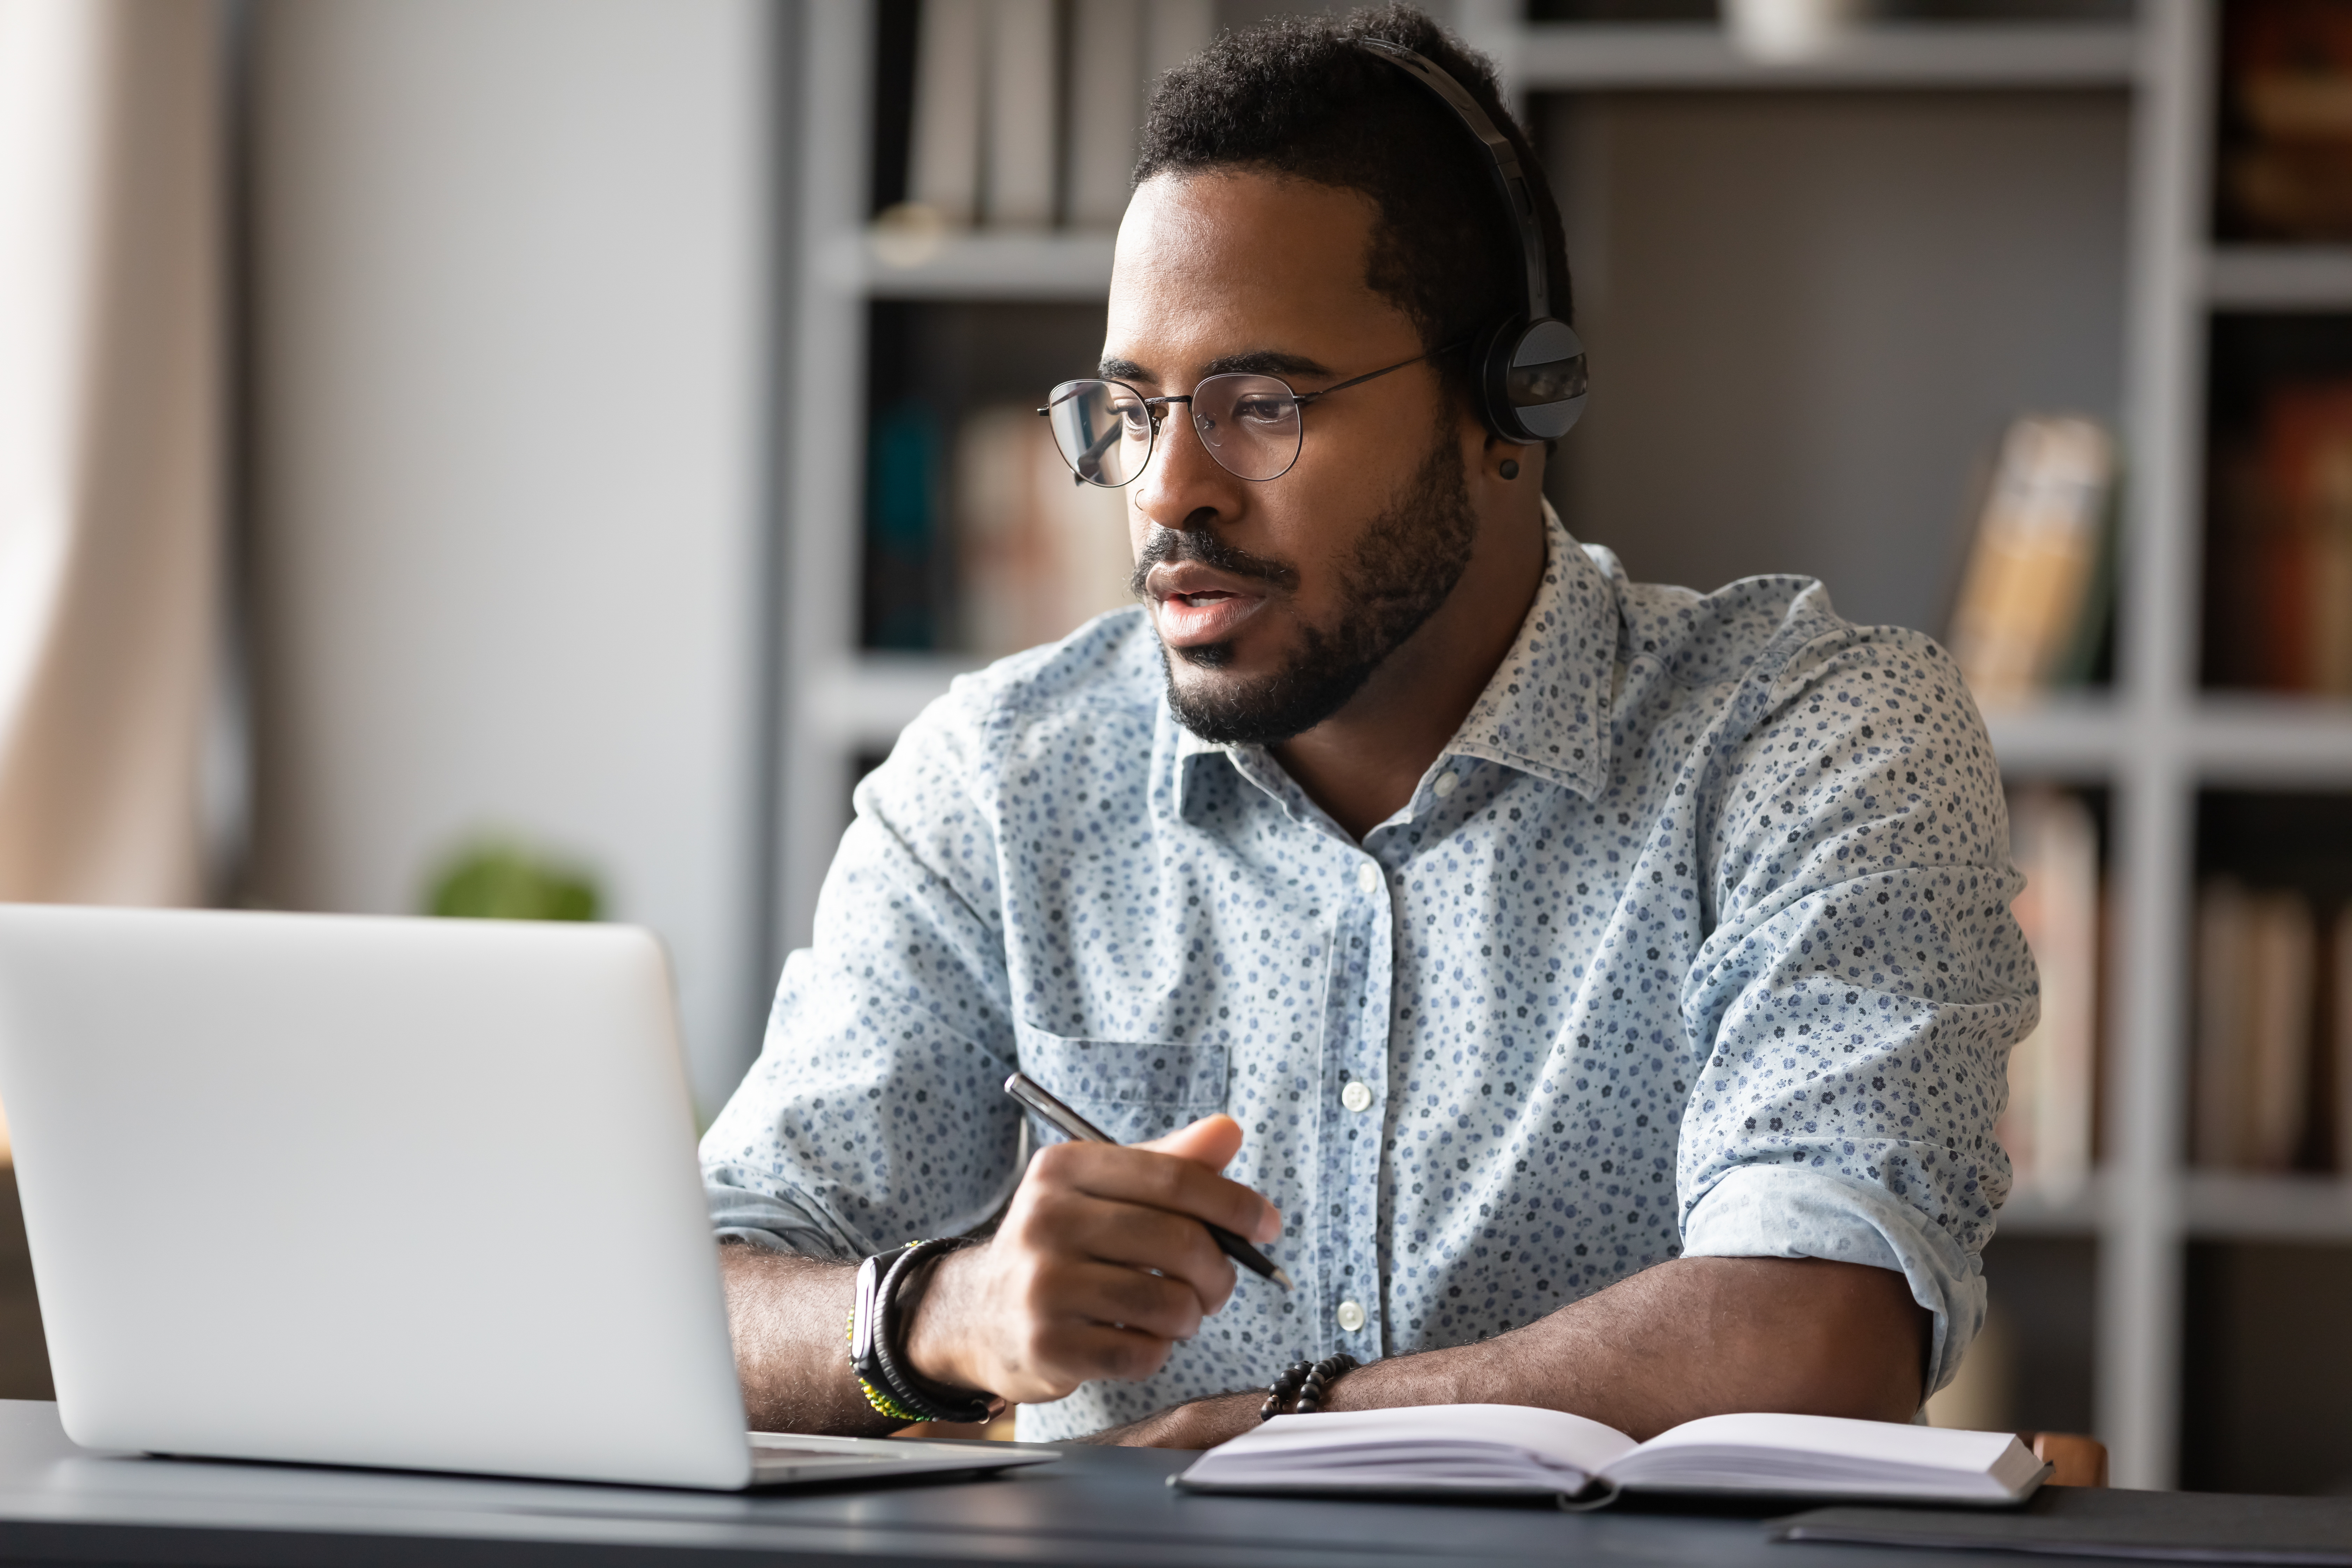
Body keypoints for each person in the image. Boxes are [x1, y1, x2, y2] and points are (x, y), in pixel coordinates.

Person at [703, 3, 2032, 1449]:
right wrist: (937, 1316)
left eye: (1260, 403)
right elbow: (693, 1296)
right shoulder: (1003, 781)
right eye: (1133, 409)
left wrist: (1297, 1424)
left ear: (1511, 401)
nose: (1166, 491)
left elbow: (1818, 1332)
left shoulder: (1811, 738)